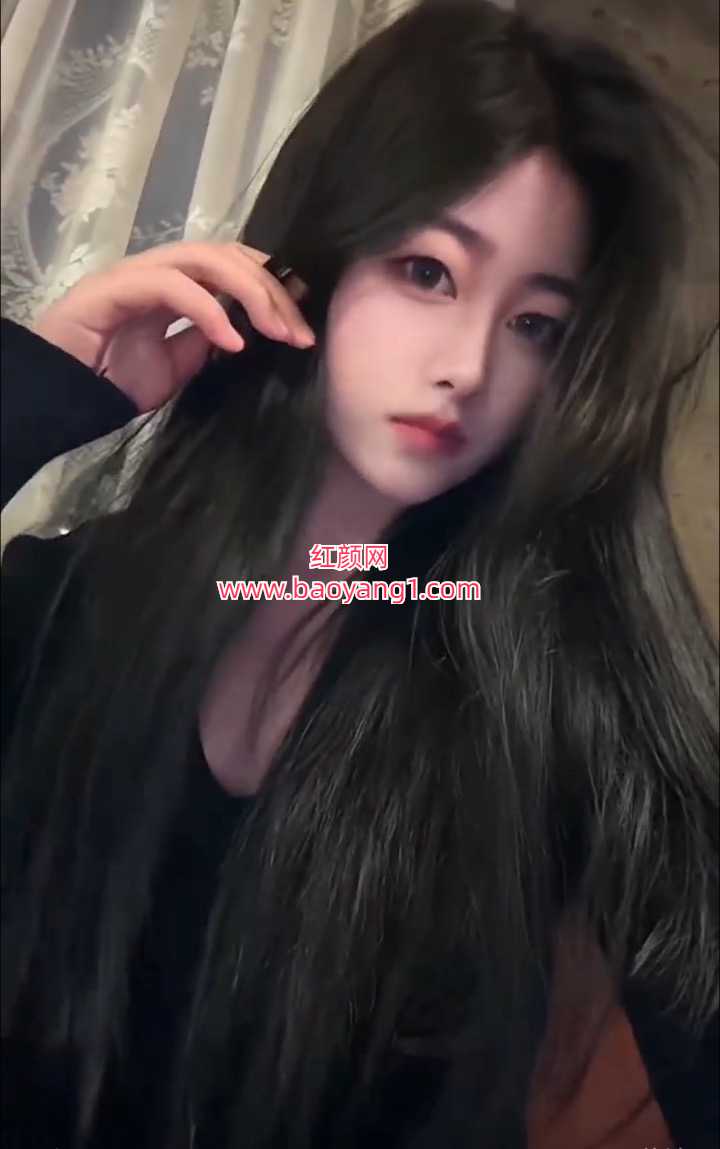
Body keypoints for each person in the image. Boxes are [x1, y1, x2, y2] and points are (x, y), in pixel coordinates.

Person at [1, 1, 717, 1147]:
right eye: (428, 271)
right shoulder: (58, 605)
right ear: (314, 268)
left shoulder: (548, 678)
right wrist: (31, 395)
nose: (469, 365)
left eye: (537, 325)